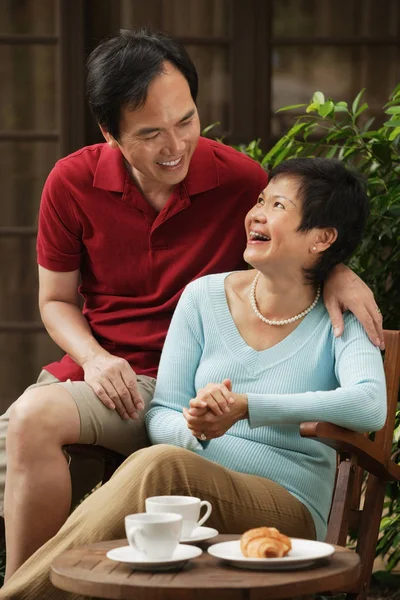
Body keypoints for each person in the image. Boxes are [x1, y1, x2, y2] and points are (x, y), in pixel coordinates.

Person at [0, 28, 383, 580]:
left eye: (186, 122)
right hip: (117, 384)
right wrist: (95, 358)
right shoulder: (71, 182)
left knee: (156, 466)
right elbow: (56, 300)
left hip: (192, 387)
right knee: (30, 418)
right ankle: (20, 580)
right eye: (151, 133)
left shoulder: (238, 182)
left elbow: (289, 241)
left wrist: (337, 268)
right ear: (110, 132)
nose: (176, 146)